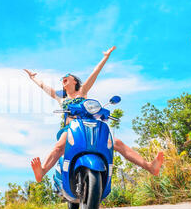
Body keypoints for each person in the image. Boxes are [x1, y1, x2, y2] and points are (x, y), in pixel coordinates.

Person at [24, 46, 164, 183]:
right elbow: (44, 87)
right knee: (60, 146)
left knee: (117, 142)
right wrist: (33, 78)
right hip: (71, 128)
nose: (63, 79)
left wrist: (105, 57)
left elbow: (95, 72)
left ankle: (149, 167)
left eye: (67, 76)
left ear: (75, 81)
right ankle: (42, 171)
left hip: (90, 126)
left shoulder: (83, 91)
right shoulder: (61, 98)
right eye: (62, 78)